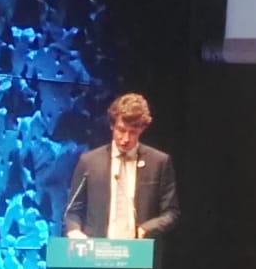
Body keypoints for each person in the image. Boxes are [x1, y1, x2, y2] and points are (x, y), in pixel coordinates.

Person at [64, 92, 180, 241]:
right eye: (121, 130)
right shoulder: (89, 162)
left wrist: (146, 229)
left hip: (140, 250)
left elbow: (171, 213)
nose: (126, 139)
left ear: (142, 129)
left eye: (133, 132)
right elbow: (72, 210)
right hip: (99, 250)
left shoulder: (159, 162)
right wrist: (74, 230)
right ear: (112, 125)